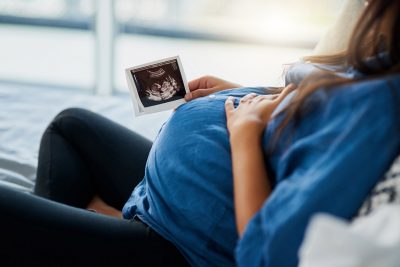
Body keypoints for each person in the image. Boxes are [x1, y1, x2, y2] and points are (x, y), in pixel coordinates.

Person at [1, 0, 399, 266]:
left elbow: (268, 254)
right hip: (184, 201)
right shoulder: (381, 65)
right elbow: (319, 118)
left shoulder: (383, 105)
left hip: (187, 243)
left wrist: (244, 136)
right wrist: (245, 93)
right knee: (70, 128)